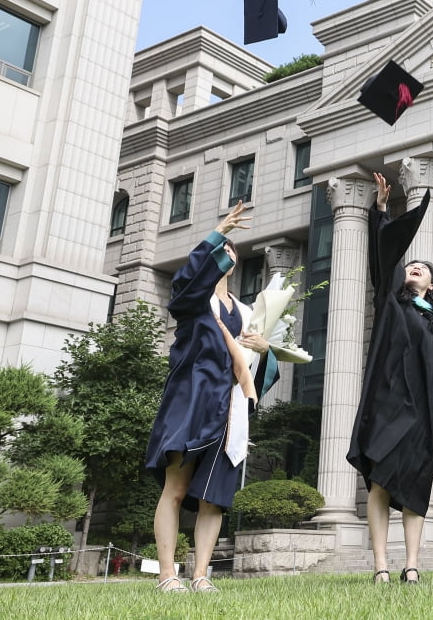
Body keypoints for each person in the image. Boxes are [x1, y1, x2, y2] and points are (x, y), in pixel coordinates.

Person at [347, 173, 433, 585]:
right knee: (381, 484)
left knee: (416, 486)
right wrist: (382, 211)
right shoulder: (391, 303)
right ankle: (382, 565)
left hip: (423, 412)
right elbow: (384, 259)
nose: (414, 267)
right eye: (411, 266)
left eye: (422, 268)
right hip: (389, 405)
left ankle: (413, 565)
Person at [146, 200, 270, 593]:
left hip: (230, 409)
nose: (226, 250)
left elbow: (257, 377)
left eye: (231, 248)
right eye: (219, 248)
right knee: (177, 488)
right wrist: (218, 232)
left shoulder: (246, 312)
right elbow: (184, 285)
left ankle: (200, 575)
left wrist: (264, 350)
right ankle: (168, 575)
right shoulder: (195, 303)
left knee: (213, 498)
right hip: (192, 401)